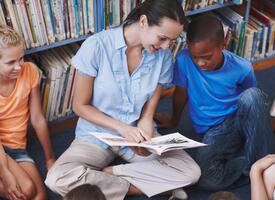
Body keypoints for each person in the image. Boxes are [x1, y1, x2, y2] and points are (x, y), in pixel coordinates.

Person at [45, 0, 201, 199]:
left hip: (139, 138)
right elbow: (80, 106)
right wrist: (122, 128)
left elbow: (155, 94)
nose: (165, 46)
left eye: (170, 41)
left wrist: (145, 120)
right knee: (56, 178)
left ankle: (104, 177)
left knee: (191, 171)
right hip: (96, 136)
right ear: (143, 22)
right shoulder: (97, 45)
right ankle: (148, 186)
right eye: (162, 38)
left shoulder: (162, 56)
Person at [155, 14, 275, 191]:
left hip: (239, 117)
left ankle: (265, 168)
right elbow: (181, 92)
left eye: (207, 57)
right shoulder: (183, 59)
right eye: (195, 56)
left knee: (252, 96)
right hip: (215, 130)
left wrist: (261, 124)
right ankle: (253, 166)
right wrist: (174, 120)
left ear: (223, 45)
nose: (200, 63)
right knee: (207, 179)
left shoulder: (242, 67)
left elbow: (253, 104)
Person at [0, 26, 56, 200]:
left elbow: (37, 119)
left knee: (40, 196)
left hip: (18, 149)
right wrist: (6, 174)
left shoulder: (30, 71)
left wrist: (50, 158)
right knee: (27, 189)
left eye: (21, 58)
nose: (18, 67)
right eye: (10, 62)